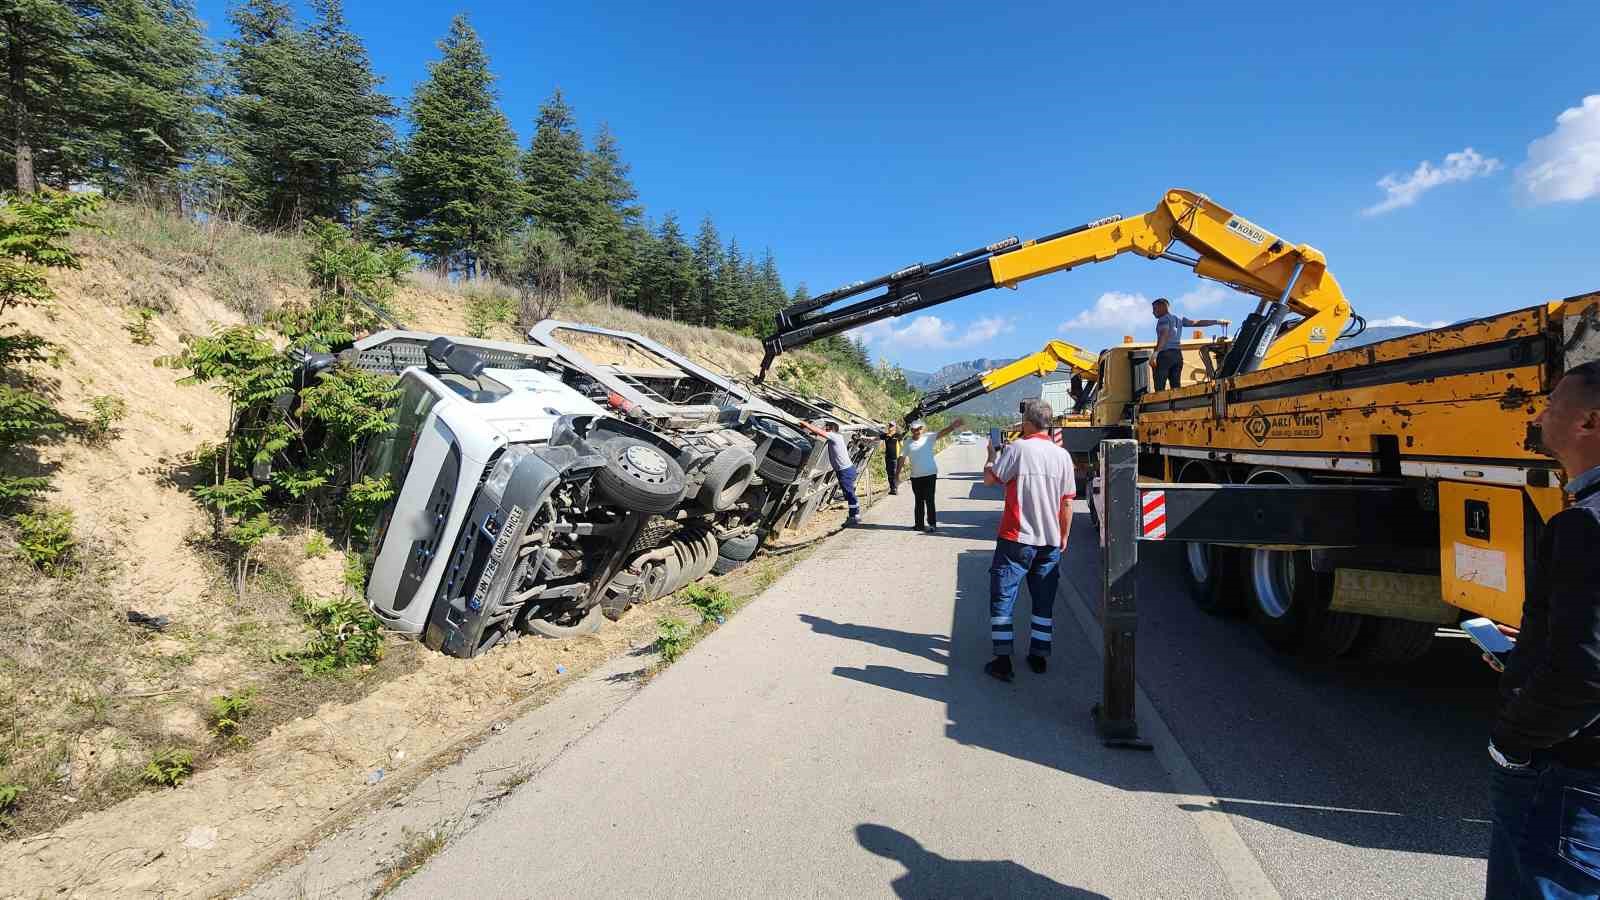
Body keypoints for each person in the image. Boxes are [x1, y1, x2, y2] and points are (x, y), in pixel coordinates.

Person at [1485, 360, 1600, 899]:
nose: (1541, 413)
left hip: (1573, 776)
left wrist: (1514, 741)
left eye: (1554, 403)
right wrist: (1535, 646)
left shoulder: (1584, 524)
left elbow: (1587, 673)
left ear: (1589, 422)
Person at [981, 399, 1075, 682]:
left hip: (1016, 539)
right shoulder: (1063, 456)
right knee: (1043, 600)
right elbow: (1067, 503)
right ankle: (1038, 656)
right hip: (1049, 541)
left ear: (1027, 422)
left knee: (1003, 597)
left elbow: (990, 479)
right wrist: (1064, 536)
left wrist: (990, 455)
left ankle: (1002, 660)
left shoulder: (1018, 449)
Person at [902, 417, 963, 534]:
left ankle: (932, 524)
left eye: (919, 429)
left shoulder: (928, 437)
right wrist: (897, 474)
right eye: (914, 429)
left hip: (930, 474)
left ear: (922, 429)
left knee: (929, 499)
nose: (917, 431)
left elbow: (942, 432)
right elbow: (902, 457)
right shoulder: (907, 442)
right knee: (918, 501)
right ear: (911, 430)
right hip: (915, 476)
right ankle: (919, 525)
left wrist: (952, 426)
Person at [1151, 297, 1226, 392]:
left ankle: (1159, 406)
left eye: (1155, 308)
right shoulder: (1178, 319)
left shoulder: (1163, 319)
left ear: (1162, 307)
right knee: (1176, 387)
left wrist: (1155, 354)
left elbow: (1164, 335)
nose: (1153, 312)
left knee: (1159, 386)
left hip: (1165, 355)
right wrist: (1217, 322)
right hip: (1177, 356)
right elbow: (1196, 323)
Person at [798, 418, 861, 526]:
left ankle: (853, 517)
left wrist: (805, 423)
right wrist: (808, 430)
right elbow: (818, 433)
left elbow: (819, 432)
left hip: (845, 471)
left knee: (850, 494)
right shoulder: (838, 437)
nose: (825, 429)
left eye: (826, 428)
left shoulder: (833, 436)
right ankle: (855, 515)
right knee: (849, 493)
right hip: (847, 469)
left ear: (831, 429)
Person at [881, 422, 901, 495]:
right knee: (889, 473)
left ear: (895, 427)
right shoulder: (885, 435)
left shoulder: (898, 435)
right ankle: (892, 489)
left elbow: (902, 445)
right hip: (887, 457)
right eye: (889, 425)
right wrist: (866, 438)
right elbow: (876, 438)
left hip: (895, 457)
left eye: (892, 425)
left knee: (894, 473)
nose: (890, 426)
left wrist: (904, 456)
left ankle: (895, 488)